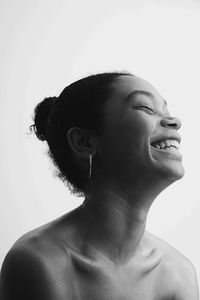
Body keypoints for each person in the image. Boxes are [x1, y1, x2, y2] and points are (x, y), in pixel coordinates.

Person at [0, 72, 199, 300]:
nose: (175, 121)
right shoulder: (39, 262)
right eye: (146, 108)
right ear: (84, 142)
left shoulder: (179, 273)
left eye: (167, 110)